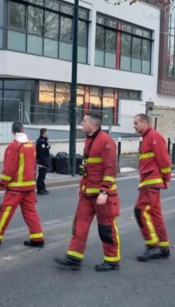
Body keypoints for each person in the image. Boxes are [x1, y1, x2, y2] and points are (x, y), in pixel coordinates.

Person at [54, 112, 120, 272]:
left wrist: (104, 192)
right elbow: (88, 168)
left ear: (93, 124)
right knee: (79, 226)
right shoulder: (90, 140)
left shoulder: (106, 142)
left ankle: (112, 260)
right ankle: (74, 258)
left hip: (102, 196)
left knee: (106, 228)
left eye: (84, 121)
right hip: (87, 194)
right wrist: (82, 185)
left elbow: (110, 170)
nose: (81, 123)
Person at [0, 122, 44, 248]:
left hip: (16, 187)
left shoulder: (14, 147)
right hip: (29, 186)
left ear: (13, 132)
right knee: (30, 212)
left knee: (5, 212)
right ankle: (37, 238)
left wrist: (2, 183)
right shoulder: (31, 145)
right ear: (23, 130)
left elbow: (9, 169)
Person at [133, 113, 172, 262]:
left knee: (140, 211)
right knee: (155, 215)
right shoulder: (147, 138)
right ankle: (164, 247)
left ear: (144, 123)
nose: (134, 126)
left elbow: (164, 160)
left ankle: (152, 246)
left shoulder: (153, 137)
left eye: (136, 123)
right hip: (148, 182)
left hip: (151, 183)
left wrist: (166, 179)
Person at [35, 128, 50, 195]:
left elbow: (46, 149)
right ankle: (40, 189)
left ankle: (43, 188)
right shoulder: (41, 141)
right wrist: (43, 162)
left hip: (43, 160)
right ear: (44, 133)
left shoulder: (44, 141)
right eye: (47, 132)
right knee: (41, 175)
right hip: (42, 161)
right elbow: (41, 153)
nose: (48, 133)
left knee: (43, 175)